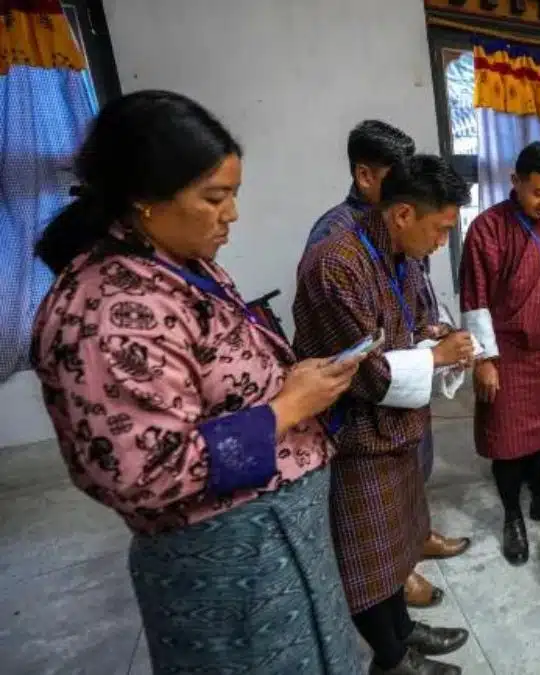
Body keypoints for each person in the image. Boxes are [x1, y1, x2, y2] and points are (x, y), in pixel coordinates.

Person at [29, 90, 364, 674]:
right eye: (214, 197)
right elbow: (146, 472)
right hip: (228, 560)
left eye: (233, 194)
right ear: (144, 197)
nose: (231, 214)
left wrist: (289, 380)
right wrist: (286, 409)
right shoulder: (110, 312)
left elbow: (217, 374)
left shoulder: (179, 264)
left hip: (276, 540)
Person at [293, 155, 475, 675]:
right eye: (440, 229)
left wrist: (437, 337)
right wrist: (435, 357)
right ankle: (392, 660)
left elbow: (410, 323)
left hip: (397, 428)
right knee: (368, 558)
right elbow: (365, 372)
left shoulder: (403, 256)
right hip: (355, 436)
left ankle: (403, 630)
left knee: (397, 542)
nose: (442, 241)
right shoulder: (337, 264)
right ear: (402, 214)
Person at [460, 141, 540, 566]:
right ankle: (512, 516)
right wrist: (484, 359)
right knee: (508, 441)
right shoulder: (488, 229)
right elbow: (476, 298)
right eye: (539, 193)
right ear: (515, 181)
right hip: (508, 357)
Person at [305, 119, 415, 252]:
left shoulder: (405, 220)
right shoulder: (334, 233)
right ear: (364, 176)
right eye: (399, 176)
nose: (407, 185)